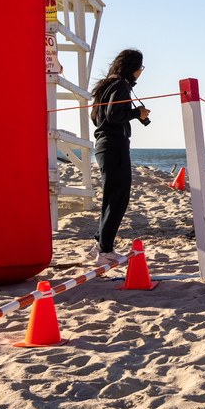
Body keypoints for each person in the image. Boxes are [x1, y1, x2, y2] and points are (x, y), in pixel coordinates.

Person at [89, 48, 151, 266]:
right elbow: (113, 116)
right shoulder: (121, 85)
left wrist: (131, 115)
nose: (141, 72)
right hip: (114, 146)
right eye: (141, 68)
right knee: (118, 199)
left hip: (103, 145)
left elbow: (97, 117)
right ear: (133, 68)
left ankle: (99, 243)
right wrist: (136, 114)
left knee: (111, 198)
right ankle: (105, 250)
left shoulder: (107, 85)